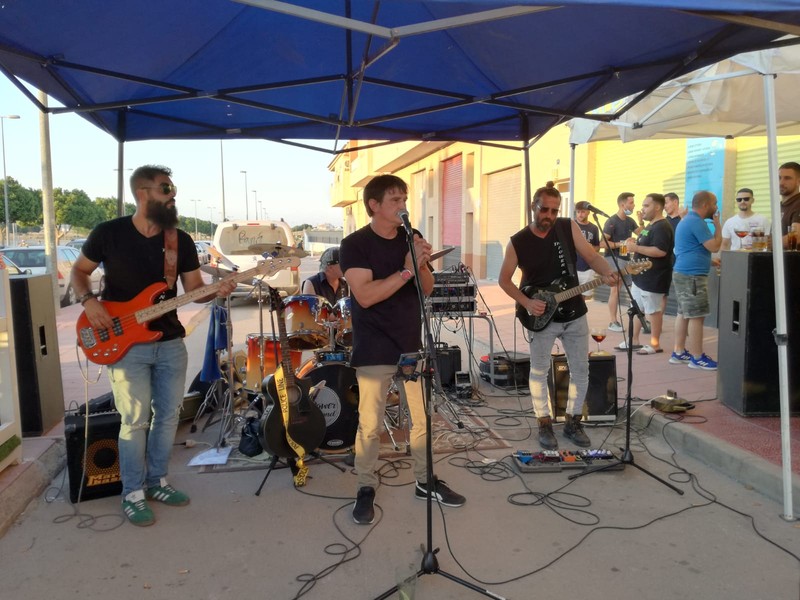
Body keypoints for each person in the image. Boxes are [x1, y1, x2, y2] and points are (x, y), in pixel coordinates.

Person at [70, 165, 236, 527]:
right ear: (143, 193)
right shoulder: (108, 233)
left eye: (173, 191)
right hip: (124, 343)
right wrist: (89, 301)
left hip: (170, 341)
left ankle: (157, 481)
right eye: (166, 190)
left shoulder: (180, 241)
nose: (173, 197)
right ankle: (132, 492)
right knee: (134, 420)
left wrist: (217, 290)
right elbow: (78, 271)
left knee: (168, 416)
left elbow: (194, 290)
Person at [340, 174, 465, 525]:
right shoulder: (354, 244)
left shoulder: (412, 236)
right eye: (395, 200)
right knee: (370, 424)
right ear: (374, 205)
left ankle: (425, 481)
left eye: (404, 199)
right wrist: (406, 271)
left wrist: (421, 264)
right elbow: (366, 296)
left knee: (422, 418)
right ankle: (366, 487)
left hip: (411, 343)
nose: (403, 206)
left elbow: (427, 288)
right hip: (374, 345)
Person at [499, 183, 618, 450]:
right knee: (539, 371)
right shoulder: (518, 241)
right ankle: (544, 422)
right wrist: (527, 302)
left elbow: (591, 256)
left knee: (581, 370)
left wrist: (607, 272)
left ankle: (573, 422)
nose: (549, 216)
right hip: (541, 316)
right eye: (544, 210)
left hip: (574, 312)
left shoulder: (567, 227)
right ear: (533, 206)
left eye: (554, 211)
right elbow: (504, 280)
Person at [669, 190, 721, 371]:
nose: (716, 207)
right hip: (692, 276)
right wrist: (718, 225)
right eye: (714, 203)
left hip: (684, 273)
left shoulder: (687, 220)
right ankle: (697, 357)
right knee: (696, 316)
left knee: (684, 313)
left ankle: (678, 352)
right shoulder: (697, 222)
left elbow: (691, 248)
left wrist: (710, 261)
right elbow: (714, 246)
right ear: (705, 205)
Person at [623, 193, 674, 355]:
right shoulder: (650, 225)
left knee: (653, 311)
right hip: (640, 277)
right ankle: (633, 340)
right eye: (643, 205)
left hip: (654, 277)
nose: (642, 209)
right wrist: (634, 242)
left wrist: (636, 248)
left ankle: (655, 344)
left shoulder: (662, 226)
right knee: (636, 309)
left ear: (657, 207)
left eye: (646, 205)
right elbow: (644, 243)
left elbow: (660, 251)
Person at [603, 192, 640, 332]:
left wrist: (642, 221)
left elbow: (643, 234)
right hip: (613, 258)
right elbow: (602, 243)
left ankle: (638, 319)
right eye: (631, 203)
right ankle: (613, 321)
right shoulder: (611, 221)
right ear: (622, 205)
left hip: (626, 258)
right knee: (615, 289)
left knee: (632, 289)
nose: (634, 205)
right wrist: (622, 243)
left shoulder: (631, 221)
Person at [574, 201, 601, 298]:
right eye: (578, 212)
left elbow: (597, 247)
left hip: (588, 268)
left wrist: (590, 247)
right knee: (571, 297)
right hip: (573, 267)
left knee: (583, 298)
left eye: (583, 212)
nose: (580, 214)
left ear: (588, 212)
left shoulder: (594, 228)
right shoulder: (571, 226)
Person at [779, 161, 800, 248]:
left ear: (798, 181)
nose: (781, 182)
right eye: (779, 178)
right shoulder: (779, 206)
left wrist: (769, 243)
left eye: (787, 178)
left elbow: (796, 237)